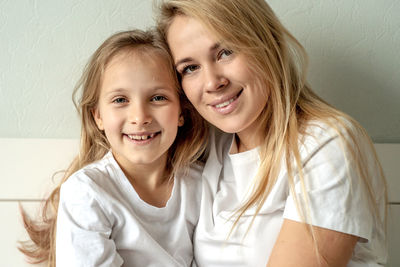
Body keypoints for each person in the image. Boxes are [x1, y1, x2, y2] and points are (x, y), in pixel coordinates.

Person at [156, 0, 388, 266]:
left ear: (266, 44)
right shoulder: (213, 148)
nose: (212, 82)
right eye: (190, 68)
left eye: (226, 52)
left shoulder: (326, 143)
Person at [19, 29, 208, 266]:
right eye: (120, 100)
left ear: (181, 111)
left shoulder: (202, 184)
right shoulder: (87, 193)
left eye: (158, 98)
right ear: (98, 116)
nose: (140, 117)